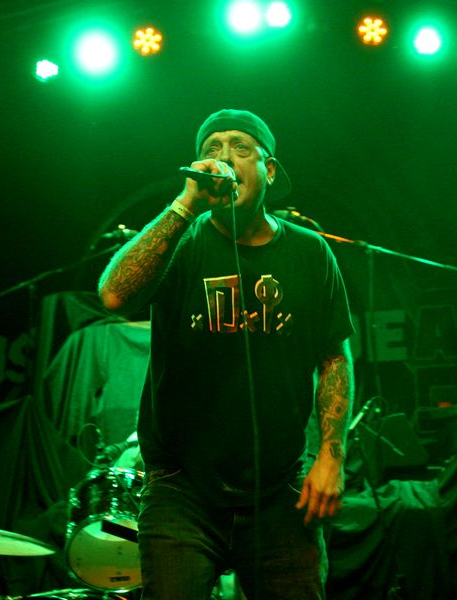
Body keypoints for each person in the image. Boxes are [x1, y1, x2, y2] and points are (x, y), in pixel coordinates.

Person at [98, 108, 355, 600]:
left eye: (240, 147)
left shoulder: (310, 252)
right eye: (211, 149)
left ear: (269, 169)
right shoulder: (179, 241)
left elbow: (334, 357)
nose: (224, 157)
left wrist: (331, 455)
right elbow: (113, 297)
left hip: (280, 488)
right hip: (181, 490)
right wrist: (184, 205)